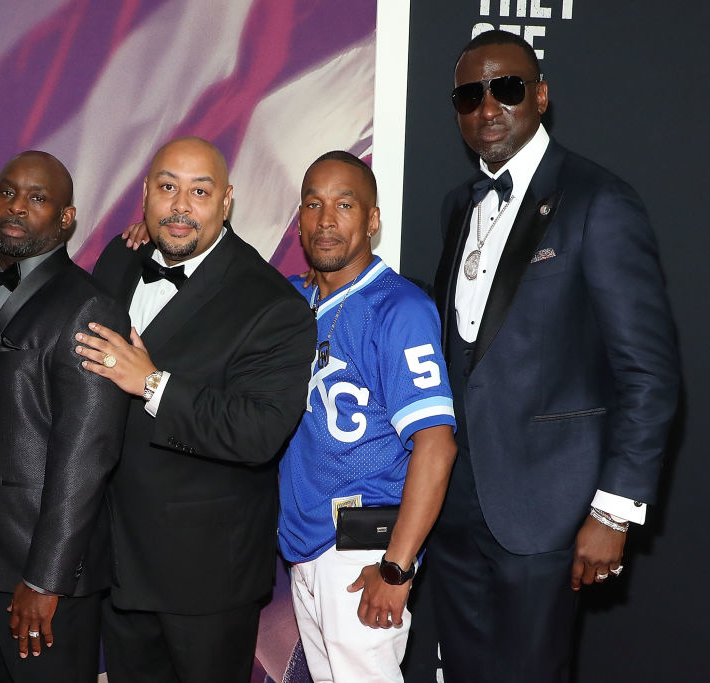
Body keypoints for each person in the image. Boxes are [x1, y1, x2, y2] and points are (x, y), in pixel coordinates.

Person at [428, 30, 680, 682]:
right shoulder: (459, 206)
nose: (488, 108)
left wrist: (612, 509)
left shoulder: (600, 201)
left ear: (540, 95)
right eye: (469, 95)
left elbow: (648, 373)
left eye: (506, 89)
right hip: (455, 510)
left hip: (546, 512)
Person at [74, 136, 316, 682]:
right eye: (167, 188)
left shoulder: (271, 304)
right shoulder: (119, 259)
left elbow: (258, 432)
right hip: (115, 559)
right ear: (145, 196)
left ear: (226, 201)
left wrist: (153, 383)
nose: (181, 206)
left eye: (199, 192)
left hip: (206, 576)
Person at [0, 151, 130, 682]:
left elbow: (87, 456)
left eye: (37, 198)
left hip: (40, 579)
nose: (17, 207)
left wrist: (45, 581)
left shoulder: (89, 306)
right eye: (7, 192)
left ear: (66, 218)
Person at [277, 152, 457, 683]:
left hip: (363, 553)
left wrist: (397, 567)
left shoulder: (398, 308)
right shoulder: (291, 301)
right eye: (313, 204)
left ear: (372, 220)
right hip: (305, 547)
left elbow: (437, 444)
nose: (326, 219)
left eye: (344, 204)